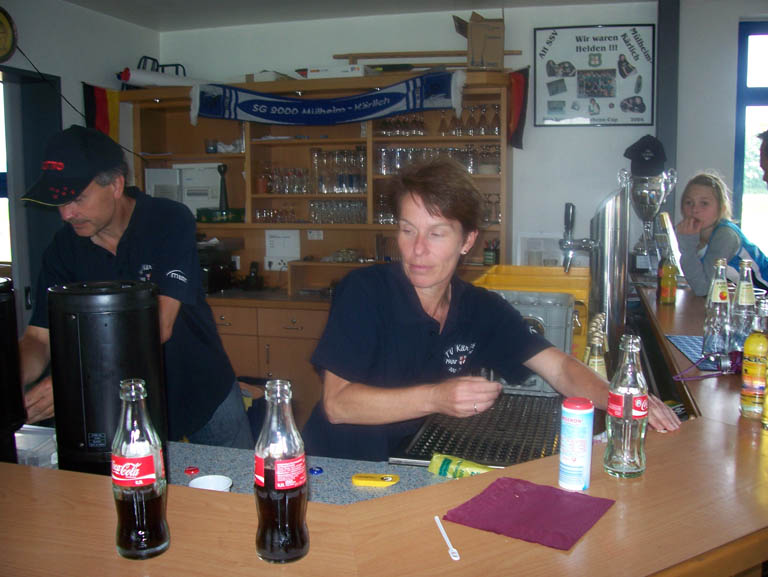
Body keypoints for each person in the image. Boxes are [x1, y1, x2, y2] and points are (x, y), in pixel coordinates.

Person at [302, 158, 680, 461]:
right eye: (407, 230)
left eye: (436, 233)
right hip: (337, 465)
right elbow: (338, 405)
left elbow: (559, 368)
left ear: (467, 241)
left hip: (409, 460)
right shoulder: (365, 292)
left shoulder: (479, 308)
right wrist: (436, 397)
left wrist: (620, 397)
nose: (418, 249)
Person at [18, 125, 253, 449]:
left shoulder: (168, 220)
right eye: (60, 202)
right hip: (122, 402)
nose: (66, 214)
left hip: (201, 389)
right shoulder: (63, 249)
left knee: (237, 478)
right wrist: (11, 378)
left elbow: (159, 325)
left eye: (78, 199)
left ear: (116, 185)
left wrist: (77, 381)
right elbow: (38, 338)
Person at [675, 170, 768, 296]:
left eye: (704, 203)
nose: (694, 209)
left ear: (721, 208)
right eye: (689, 202)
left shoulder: (725, 236)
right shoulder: (698, 234)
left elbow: (703, 289)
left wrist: (687, 247)